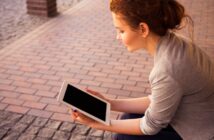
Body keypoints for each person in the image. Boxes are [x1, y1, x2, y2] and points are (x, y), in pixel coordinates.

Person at [71, 0, 214, 139]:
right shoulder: (175, 43)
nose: (117, 37)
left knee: (124, 136)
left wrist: (98, 124)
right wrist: (109, 103)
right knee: (128, 117)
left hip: (200, 132)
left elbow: (150, 126)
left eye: (121, 30)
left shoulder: (166, 69)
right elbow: (158, 100)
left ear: (143, 29)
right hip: (194, 120)